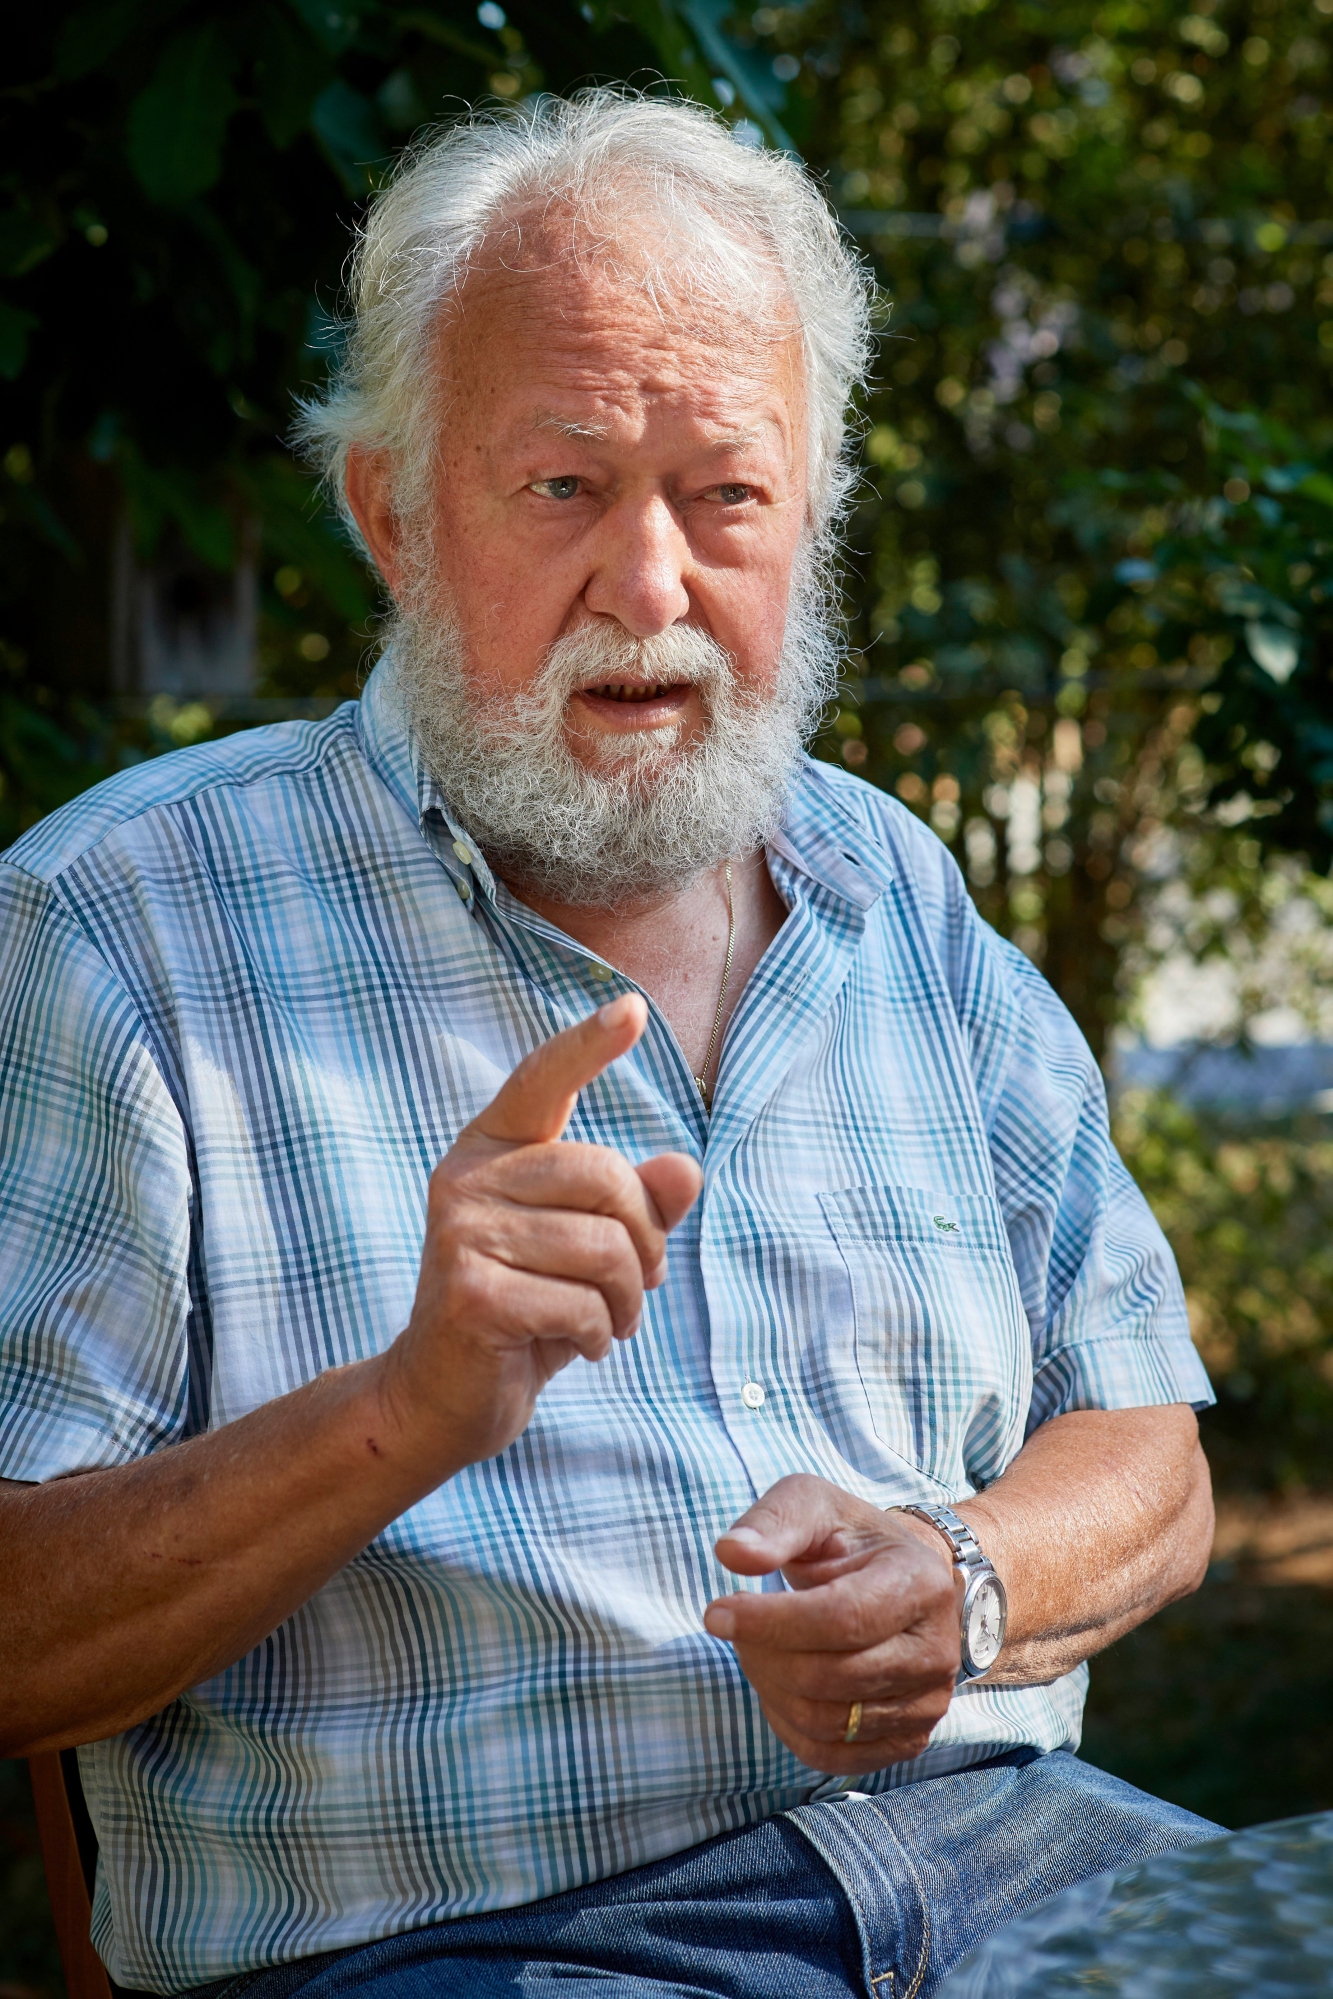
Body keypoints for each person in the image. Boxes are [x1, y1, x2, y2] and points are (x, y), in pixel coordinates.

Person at [0, 91, 1220, 1999]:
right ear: (395, 515)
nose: (650, 589)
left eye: (722, 493)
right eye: (562, 488)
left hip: (1016, 1874)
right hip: (493, 1946)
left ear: (806, 510)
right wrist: (408, 1405)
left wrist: (965, 1576)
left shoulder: (888, 883)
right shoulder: (121, 921)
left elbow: (1147, 1441)